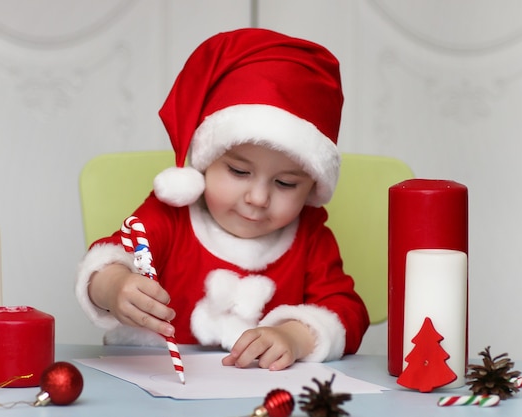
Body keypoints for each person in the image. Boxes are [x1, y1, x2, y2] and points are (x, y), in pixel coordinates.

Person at [76, 28, 369, 371]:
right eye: (239, 172)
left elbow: (347, 310)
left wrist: (295, 336)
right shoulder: (171, 214)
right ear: (206, 161)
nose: (258, 198)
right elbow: (109, 258)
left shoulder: (310, 236)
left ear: (312, 188)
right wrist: (114, 286)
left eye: (286, 183)